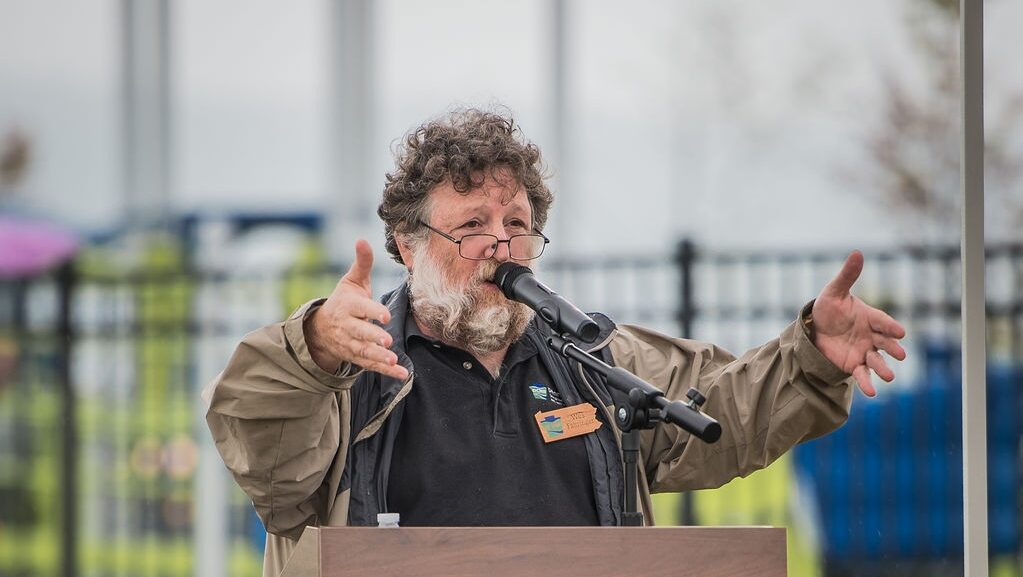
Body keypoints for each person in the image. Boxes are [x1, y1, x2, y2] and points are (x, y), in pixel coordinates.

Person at [205, 109, 907, 577]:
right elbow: (262, 451)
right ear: (406, 243)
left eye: (517, 220)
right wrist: (313, 346)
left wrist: (809, 351)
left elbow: (716, 408)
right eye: (473, 222)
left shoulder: (595, 360)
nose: (502, 243)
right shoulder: (349, 366)